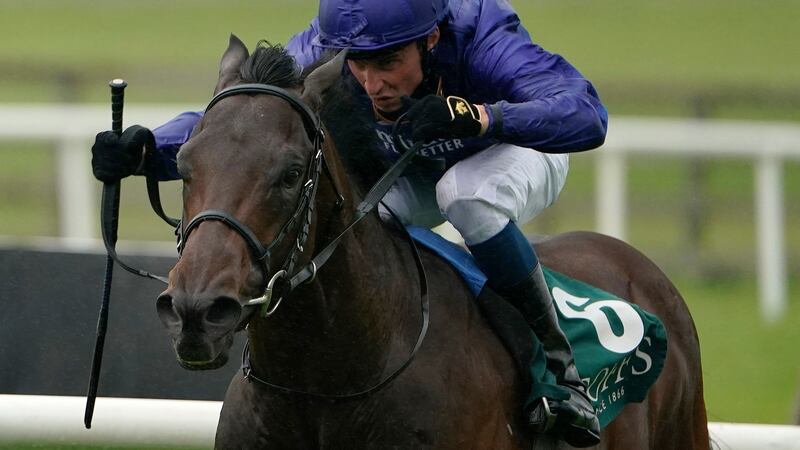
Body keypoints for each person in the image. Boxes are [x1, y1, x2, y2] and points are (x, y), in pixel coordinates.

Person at [91, 0, 607, 446]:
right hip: (410, 162)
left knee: (464, 196)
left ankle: (557, 362)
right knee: (357, 217)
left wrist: (482, 117)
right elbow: (249, 122)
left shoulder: (482, 34)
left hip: (509, 148)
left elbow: (585, 113)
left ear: (431, 39)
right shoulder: (327, 44)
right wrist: (146, 150)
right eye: (358, 65)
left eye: (389, 63)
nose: (371, 83)